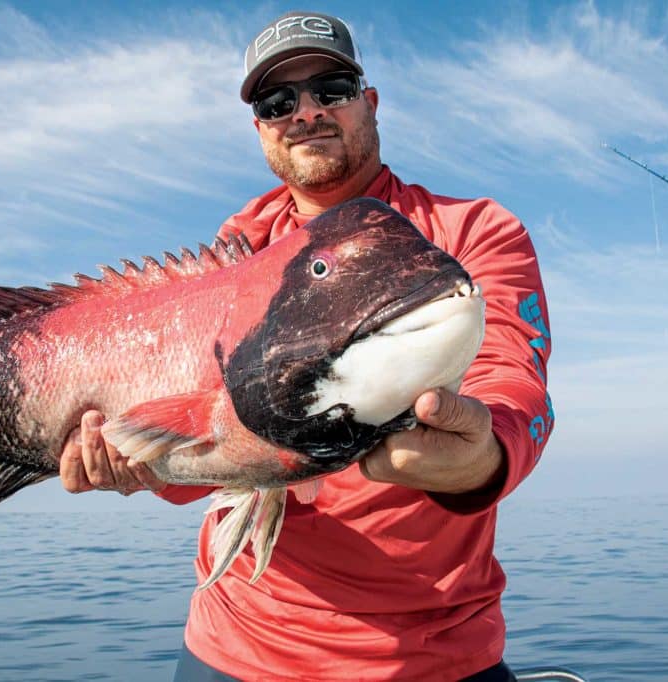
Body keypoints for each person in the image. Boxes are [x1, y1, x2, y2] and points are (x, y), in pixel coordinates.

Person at [59, 11, 553, 682]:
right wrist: (140, 464)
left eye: (332, 88)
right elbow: (211, 456)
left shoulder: (472, 231)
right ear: (261, 127)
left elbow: (512, 381)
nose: (307, 112)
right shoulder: (235, 254)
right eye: (278, 102)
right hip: (234, 650)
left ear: (369, 104)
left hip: (435, 658)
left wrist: (483, 457)